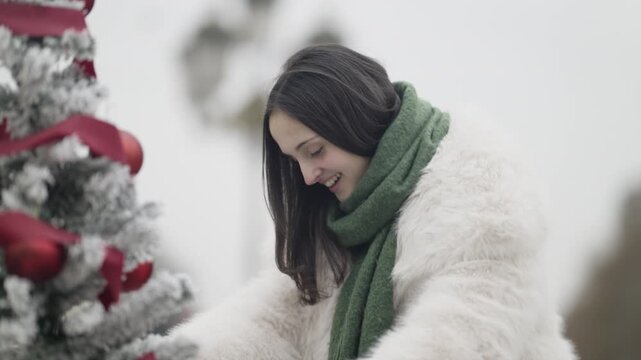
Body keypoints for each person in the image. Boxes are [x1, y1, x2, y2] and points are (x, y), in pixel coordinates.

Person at [171, 44, 577, 359]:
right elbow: (270, 323)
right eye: (294, 160)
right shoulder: (329, 229)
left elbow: (461, 339)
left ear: (352, 120)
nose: (307, 177)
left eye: (314, 151)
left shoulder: (482, 199)